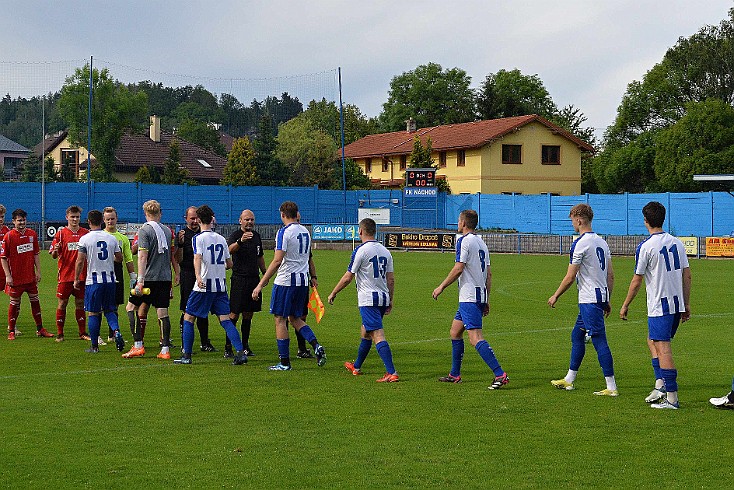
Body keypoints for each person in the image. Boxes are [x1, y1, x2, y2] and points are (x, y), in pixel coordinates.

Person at [620, 201, 691, 409]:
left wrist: (625, 304)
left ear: (646, 221)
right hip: (676, 305)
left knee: (664, 349)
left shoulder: (646, 246)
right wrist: (686, 304)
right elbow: (687, 275)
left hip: (660, 306)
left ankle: (672, 398)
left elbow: (637, 280)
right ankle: (660, 384)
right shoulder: (677, 243)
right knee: (652, 341)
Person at [432, 209, 509, 389]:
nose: (457, 223)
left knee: (475, 338)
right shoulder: (481, 243)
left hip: (469, 296)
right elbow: (488, 274)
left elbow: (459, 268)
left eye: (459, 220)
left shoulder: (463, 241)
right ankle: (455, 374)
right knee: (455, 331)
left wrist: (441, 286)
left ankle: (500, 374)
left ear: (464, 223)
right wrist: (486, 298)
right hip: (477, 295)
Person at [547, 204, 618, 396]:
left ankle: (611, 387)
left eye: (572, 220)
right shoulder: (602, 242)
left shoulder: (580, 243)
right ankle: (569, 379)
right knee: (577, 336)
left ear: (579, 220)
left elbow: (570, 276)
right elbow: (610, 275)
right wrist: (607, 298)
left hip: (589, 299)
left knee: (599, 339)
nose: (572, 224)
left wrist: (556, 295)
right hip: (599, 296)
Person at [251, 201, 326, 371]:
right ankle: (315, 345)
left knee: (280, 320)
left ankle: (284, 362)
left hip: (286, 281)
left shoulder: (284, 232)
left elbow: (277, 260)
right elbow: (308, 258)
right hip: (301, 281)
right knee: (295, 318)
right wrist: (313, 276)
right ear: (296, 214)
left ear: (282, 215)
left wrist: (260, 284)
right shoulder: (305, 232)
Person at [328, 218, 399, 382]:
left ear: (360, 231)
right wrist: (390, 299)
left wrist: (334, 292)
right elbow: (391, 279)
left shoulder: (360, 251)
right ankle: (357, 366)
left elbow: (348, 277)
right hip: (382, 298)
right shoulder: (385, 251)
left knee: (377, 334)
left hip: (368, 299)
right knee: (366, 332)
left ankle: (392, 372)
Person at [175, 205, 247, 365]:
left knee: (188, 317)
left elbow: (197, 258)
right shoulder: (221, 239)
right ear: (212, 218)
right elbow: (229, 264)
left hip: (204, 285)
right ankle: (241, 352)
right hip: (220, 285)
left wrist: (199, 276)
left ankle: (186, 356)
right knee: (225, 320)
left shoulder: (198, 238)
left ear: (199, 220)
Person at [123, 200, 180, 359]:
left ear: (145, 213)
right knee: (162, 312)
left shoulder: (144, 230)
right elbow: (171, 254)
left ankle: (138, 345)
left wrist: (140, 280)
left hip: (148, 277)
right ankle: (165, 350)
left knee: (130, 307)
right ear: (159, 213)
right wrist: (176, 273)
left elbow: (142, 256)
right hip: (164, 278)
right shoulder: (168, 231)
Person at [73, 209, 125, 353]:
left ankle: (94, 346)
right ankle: (116, 331)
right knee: (110, 309)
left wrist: (76, 279)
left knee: (93, 313)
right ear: (102, 221)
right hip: (110, 280)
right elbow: (119, 258)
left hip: (94, 281)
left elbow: (80, 261)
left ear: (88, 222)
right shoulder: (111, 238)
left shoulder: (85, 239)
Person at [1, 208, 52, 339]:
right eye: (19, 221)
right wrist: (8, 275)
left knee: (35, 301)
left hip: (30, 277)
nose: (21, 223)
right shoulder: (9, 236)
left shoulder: (32, 234)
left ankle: (40, 329)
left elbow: (35, 254)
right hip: (16, 278)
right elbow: (3, 257)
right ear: (13, 221)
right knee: (14, 303)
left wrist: (38, 271)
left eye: (23, 220)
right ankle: (11, 330)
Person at [225, 209, 265, 357]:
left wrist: (264, 273)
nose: (249, 222)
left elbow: (260, 256)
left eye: (252, 220)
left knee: (248, 314)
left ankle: (245, 345)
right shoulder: (236, 235)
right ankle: (228, 346)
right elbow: (229, 250)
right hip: (239, 280)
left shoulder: (257, 237)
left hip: (253, 280)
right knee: (234, 314)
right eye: (247, 219)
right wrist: (241, 241)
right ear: (240, 220)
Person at [175, 206, 216, 352]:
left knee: (203, 310)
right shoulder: (181, 235)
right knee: (187, 309)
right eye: (190, 218)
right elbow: (178, 259)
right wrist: (179, 244)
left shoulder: (204, 234)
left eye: (195, 218)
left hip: (204, 275)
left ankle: (205, 342)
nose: (193, 221)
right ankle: (185, 344)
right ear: (185, 218)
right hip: (188, 274)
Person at [49, 205, 91, 342]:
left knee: (80, 303)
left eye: (77, 217)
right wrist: (55, 250)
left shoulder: (86, 233)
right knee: (62, 303)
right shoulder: (61, 234)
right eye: (72, 216)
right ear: (67, 217)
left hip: (81, 276)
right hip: (65, 276)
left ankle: (82, 332)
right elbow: (54, 255)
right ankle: (60, 333)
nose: (75, 219)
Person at [103, 207, 138, 341]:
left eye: (112, 219)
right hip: (102, 273)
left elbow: (128, 259)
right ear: (103, 220)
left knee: (115, 305)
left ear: (116, 219)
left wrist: (133, 276)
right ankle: (97, 335)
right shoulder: (100, 236)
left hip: (117, 273)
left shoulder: (122, 238)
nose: (110, 221)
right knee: (101, 306)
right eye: (107, 219)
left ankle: (112, 334)